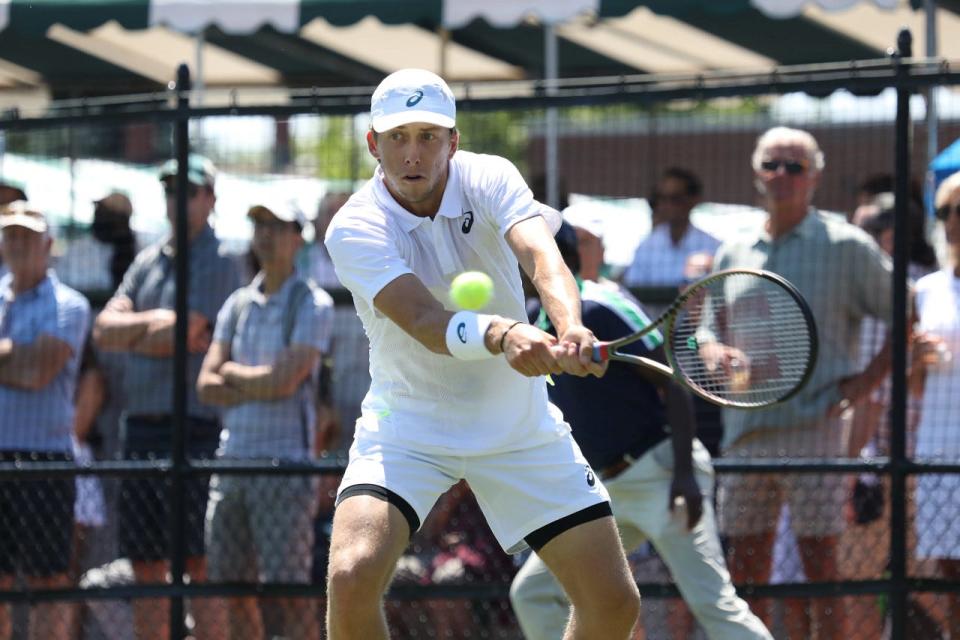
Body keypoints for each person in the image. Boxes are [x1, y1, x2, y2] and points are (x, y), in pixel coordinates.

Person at [323, 68, 640, 640]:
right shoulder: (354, 227)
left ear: (453, 141)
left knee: (614, 603)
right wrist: (504, 334)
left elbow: (544, 259)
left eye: (428, 136)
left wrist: (569, 328)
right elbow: (423, 320)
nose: (412, 153)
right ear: (374, 144)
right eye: (397, 137)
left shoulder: (491, 177)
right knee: (351, 575)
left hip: (518, 427)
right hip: (407, 429)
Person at [510, 222, 771, 640]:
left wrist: (685, 474)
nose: (518, 265)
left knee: (713, 605)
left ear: (558, 262)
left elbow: (673, 385)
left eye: (526, 255)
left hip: (662, 476)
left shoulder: (600, 306)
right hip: (606, 491)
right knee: (534, 592)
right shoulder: (532, 323)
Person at [712, 126, 894, 640]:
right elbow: (707, 321)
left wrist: (861, 387)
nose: (782, 175)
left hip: (815, 430)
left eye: (794, 166)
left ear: (814, 176)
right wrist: (712, 349)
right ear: (756, 172)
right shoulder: (734, 249)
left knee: (820, 568)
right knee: (746, 573)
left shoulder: (846, 246)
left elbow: (905, 313)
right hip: (744, 431)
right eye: (773, 164)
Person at [92, 154, 239, 640]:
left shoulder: (222, 259)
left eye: (189, 190)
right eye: (171, 189)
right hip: (141, 427)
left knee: (201, 562)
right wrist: (160, 326)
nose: (178, 200)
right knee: (146, 564)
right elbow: (104, 331)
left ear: (210, 199)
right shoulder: (147, 259)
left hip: (197, 428)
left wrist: (146, 329)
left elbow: (191, 328)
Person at [197, 201, 333, 640]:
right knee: (232, 588)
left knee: (287, 592)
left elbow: (284, 381)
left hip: (285, 469)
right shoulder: (236, 304)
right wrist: (263, 379)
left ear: (299, 237)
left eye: (277, 225)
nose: (266, 234)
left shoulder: (313, 302)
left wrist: (233, 372)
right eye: (258, 224)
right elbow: (205, 384)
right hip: (232, 463)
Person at [0, 202, 91, 640]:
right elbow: (28, 363)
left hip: (47, 461)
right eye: (9, 235)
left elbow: (39, 371)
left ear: (48, 244)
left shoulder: (70, 305)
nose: (17, 244)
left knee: (48, 582)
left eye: (26, 236)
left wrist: (16, 355)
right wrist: (19, 353)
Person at [911, 170, 960, 639]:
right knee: (949, 573)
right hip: (939, 450)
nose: (953, 222)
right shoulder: (925, 290)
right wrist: (918, 361)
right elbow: (917, 388)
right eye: (946, 211)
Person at [623, 168, 720, 288]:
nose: (667, 204)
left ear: (694, 200)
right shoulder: (646, 245)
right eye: (662, 198)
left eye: (675, 198)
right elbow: (633, 288)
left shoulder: (713, 246)